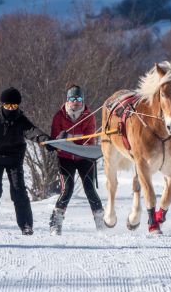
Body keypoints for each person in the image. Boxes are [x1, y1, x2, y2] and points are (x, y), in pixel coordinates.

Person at [0, 87, 53, 235]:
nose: (11, 108)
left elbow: (33, 131)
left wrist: (45, 140)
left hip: (14, 157)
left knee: (19, 189)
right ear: (2, 105)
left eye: (14, 106)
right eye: (8, 105)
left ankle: (26, 224)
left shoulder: (21, 119)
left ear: (18, 106)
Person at [49, 83, 104, 236]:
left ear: (83, 100)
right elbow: (54, 138)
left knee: (90, 189)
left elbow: (89, 141)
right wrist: (60, 139)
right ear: (68, 100)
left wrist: (70, 140)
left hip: (84, 157)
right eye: (72, 98)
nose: (76, 102)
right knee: (67, 189)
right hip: (65, 157)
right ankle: (56, 223)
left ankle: (101, 222)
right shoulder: (59, 116)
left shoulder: (89, 116)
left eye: (79, 98)